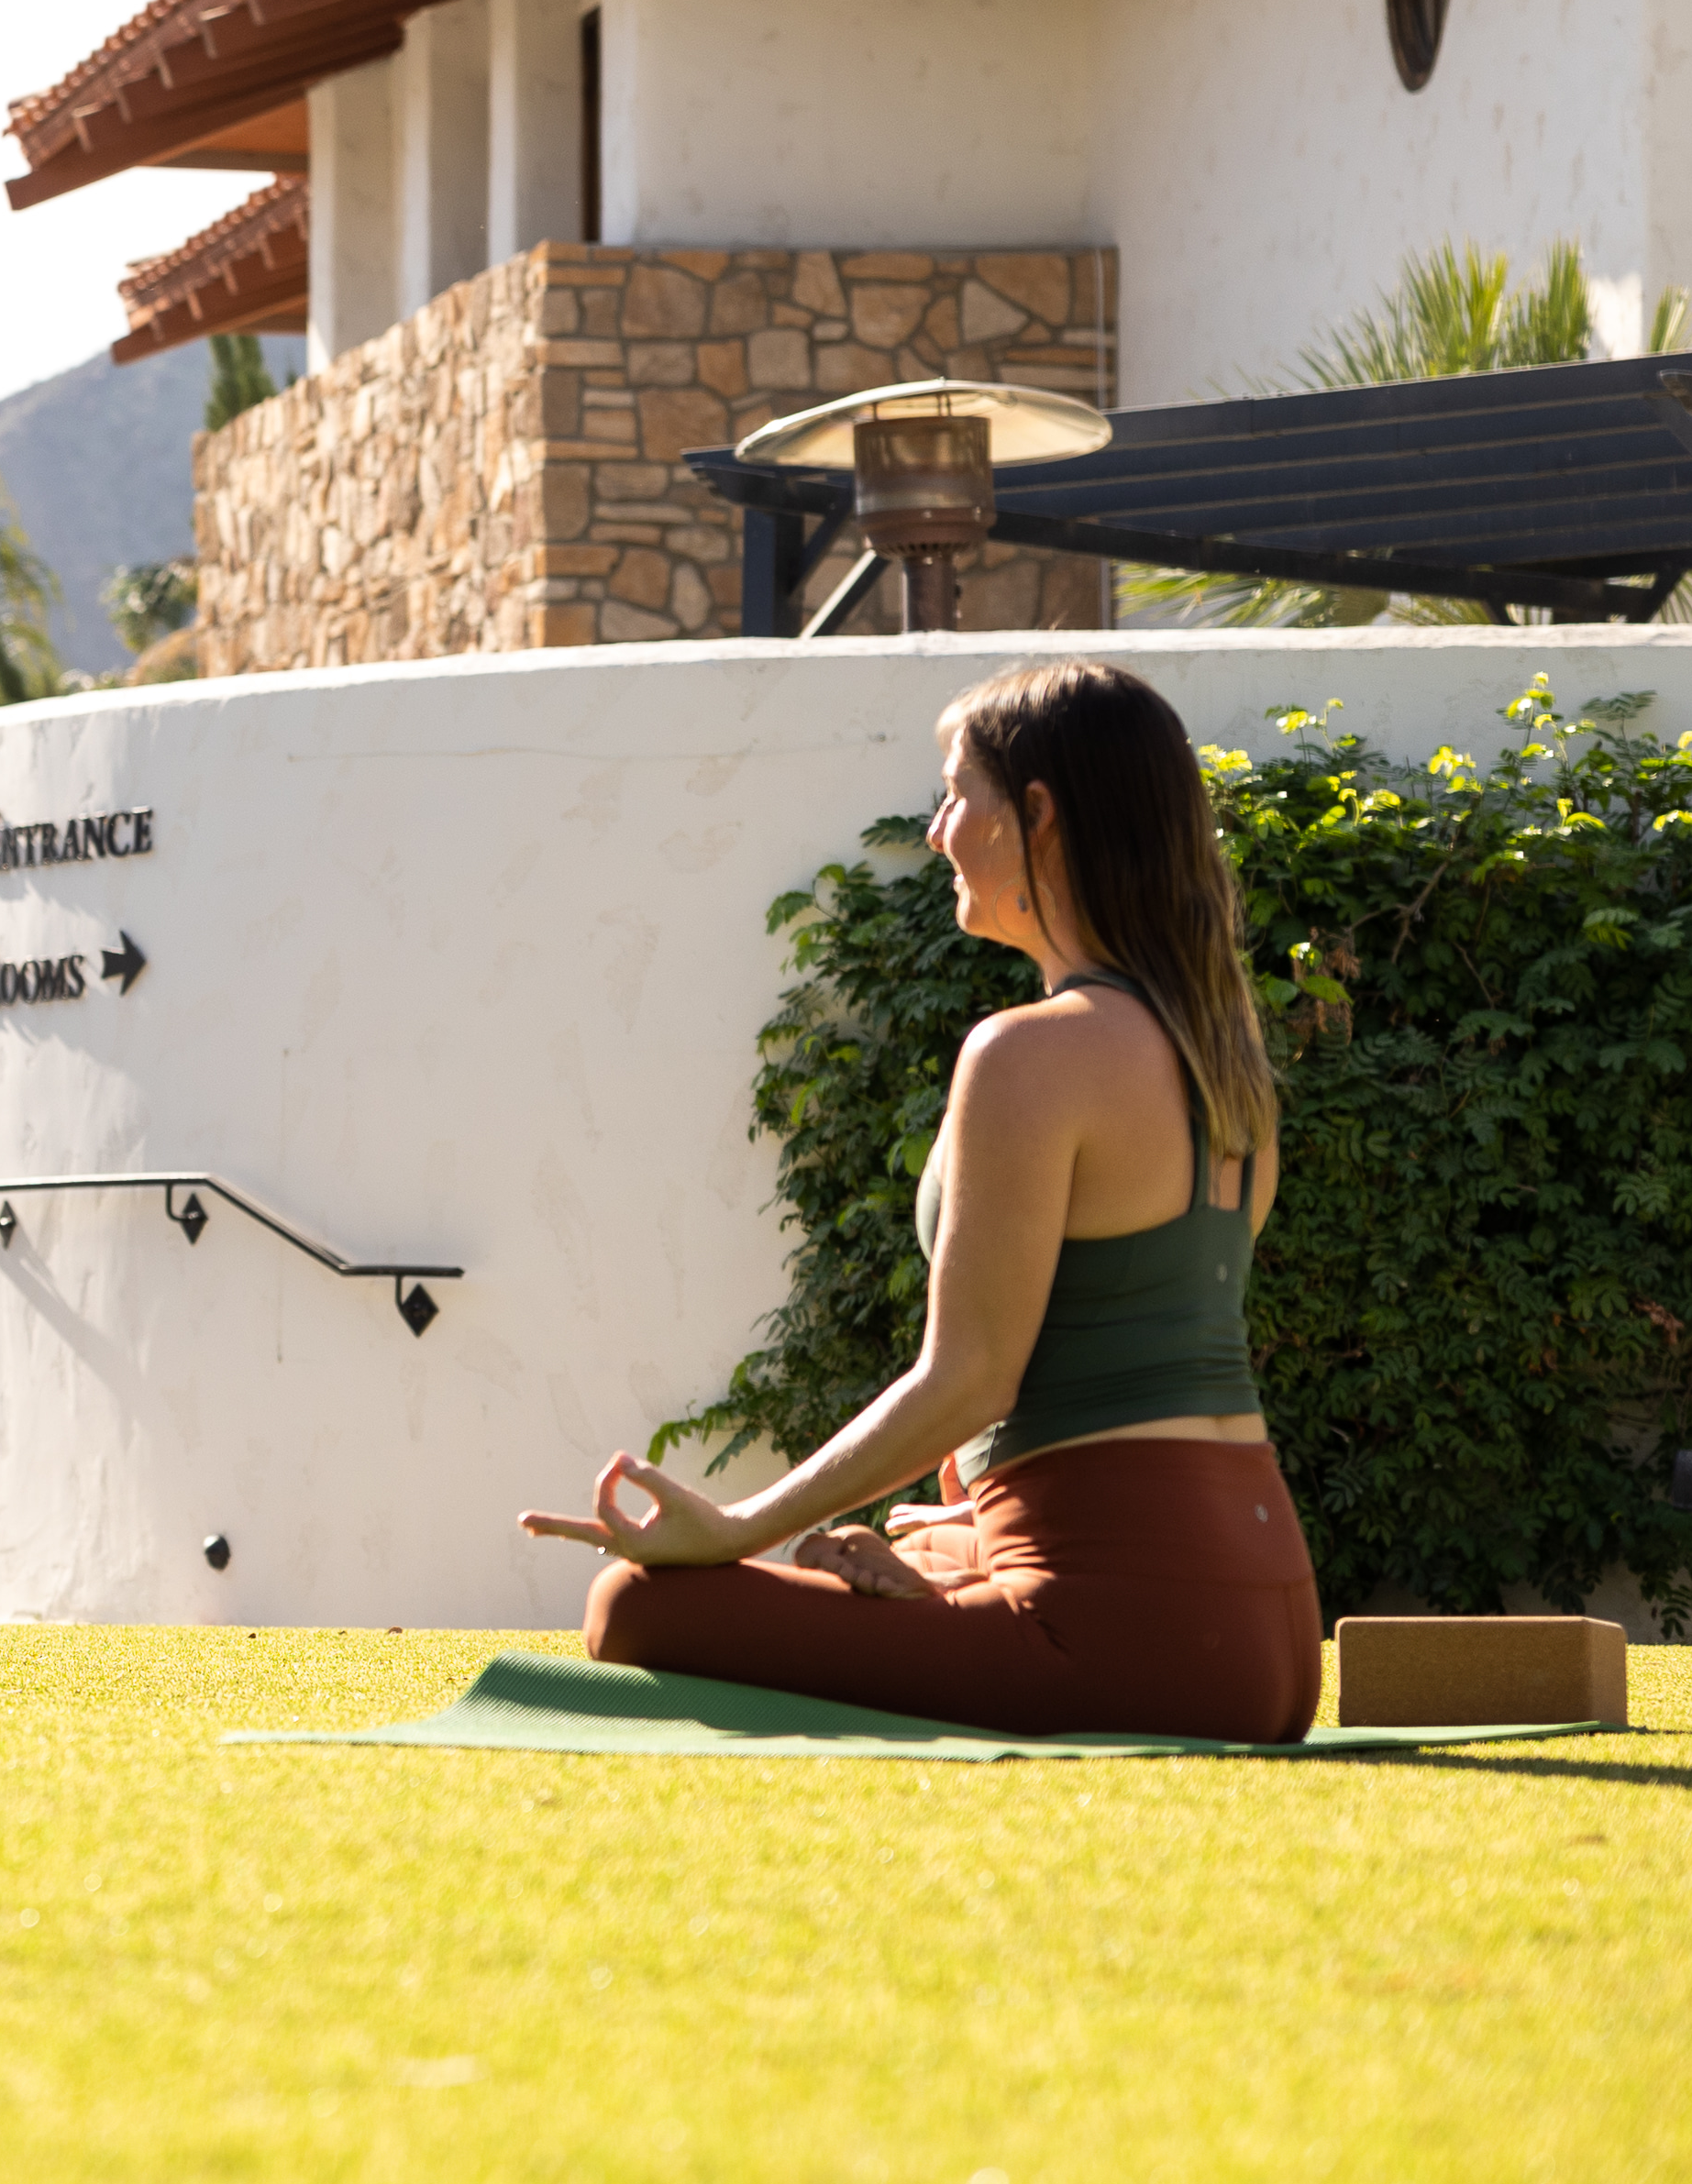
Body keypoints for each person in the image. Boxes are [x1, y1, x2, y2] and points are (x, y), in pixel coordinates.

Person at [523, 657, 1320, 1743]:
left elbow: (972, 1379)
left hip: (1130, 1637)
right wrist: (966, 1552)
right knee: (920, 1537)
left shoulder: (1030, 1054)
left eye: (955, 796)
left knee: (636, 1605)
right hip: (1269, 1634)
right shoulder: (1226, 1065)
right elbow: (1121, 1396)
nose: (938, 831)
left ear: (1038, 814)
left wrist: (736, 1528)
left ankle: (963, 1585)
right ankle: (958, 1577)